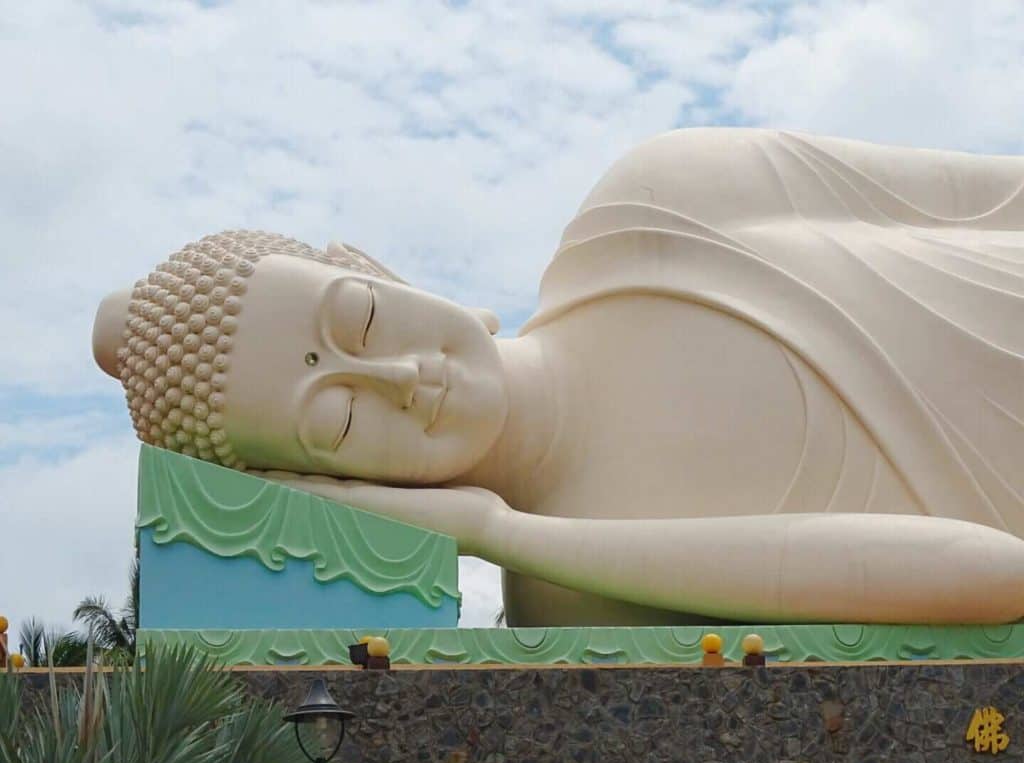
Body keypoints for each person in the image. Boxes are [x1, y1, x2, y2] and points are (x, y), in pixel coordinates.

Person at [94, 128, 1024, 626]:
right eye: (338, 419)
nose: (402, 378)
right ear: (340, 491)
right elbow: (992, 576)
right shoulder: (569, 588)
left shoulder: (657, 204)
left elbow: (991, 200)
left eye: (361, 318)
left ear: (373, 266)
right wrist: (494, 533)